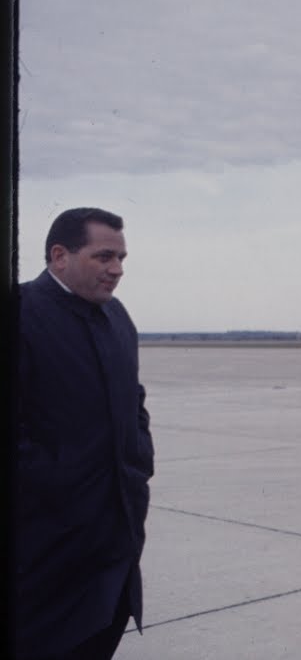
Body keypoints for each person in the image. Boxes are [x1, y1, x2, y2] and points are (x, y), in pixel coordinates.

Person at [14, 207, 154, 660]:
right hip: (46, 554)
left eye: (122, 258)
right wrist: (57, 485)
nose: (117, 270)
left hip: (115, 547)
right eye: (104, 257)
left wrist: (138, 465)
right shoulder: (20, 314)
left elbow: (134, 401)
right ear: (59, 255)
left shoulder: (118, 319)